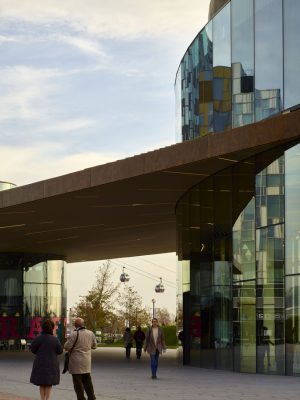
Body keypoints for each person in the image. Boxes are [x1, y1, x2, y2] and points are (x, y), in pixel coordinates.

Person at [64, 317, 97, 400]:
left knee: (78, 383)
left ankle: (81, 398)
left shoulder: (73, 334)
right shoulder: (91, 333)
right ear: (83, 324)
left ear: (75, 325)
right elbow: (94, 346)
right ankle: (92, 397)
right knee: (88, 381)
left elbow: (66, 347)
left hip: (76, 363)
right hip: (86, 362)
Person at [30, 319, 63, 400]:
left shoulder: (38, 338)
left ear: (43, 328)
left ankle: (42, 399)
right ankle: (47, 399)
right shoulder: (54, 339)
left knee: (42, 383)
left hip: (40, 363)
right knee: (49, 384)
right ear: (52, 328)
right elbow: (60, 351)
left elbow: (33, 349)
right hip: (52, 363)